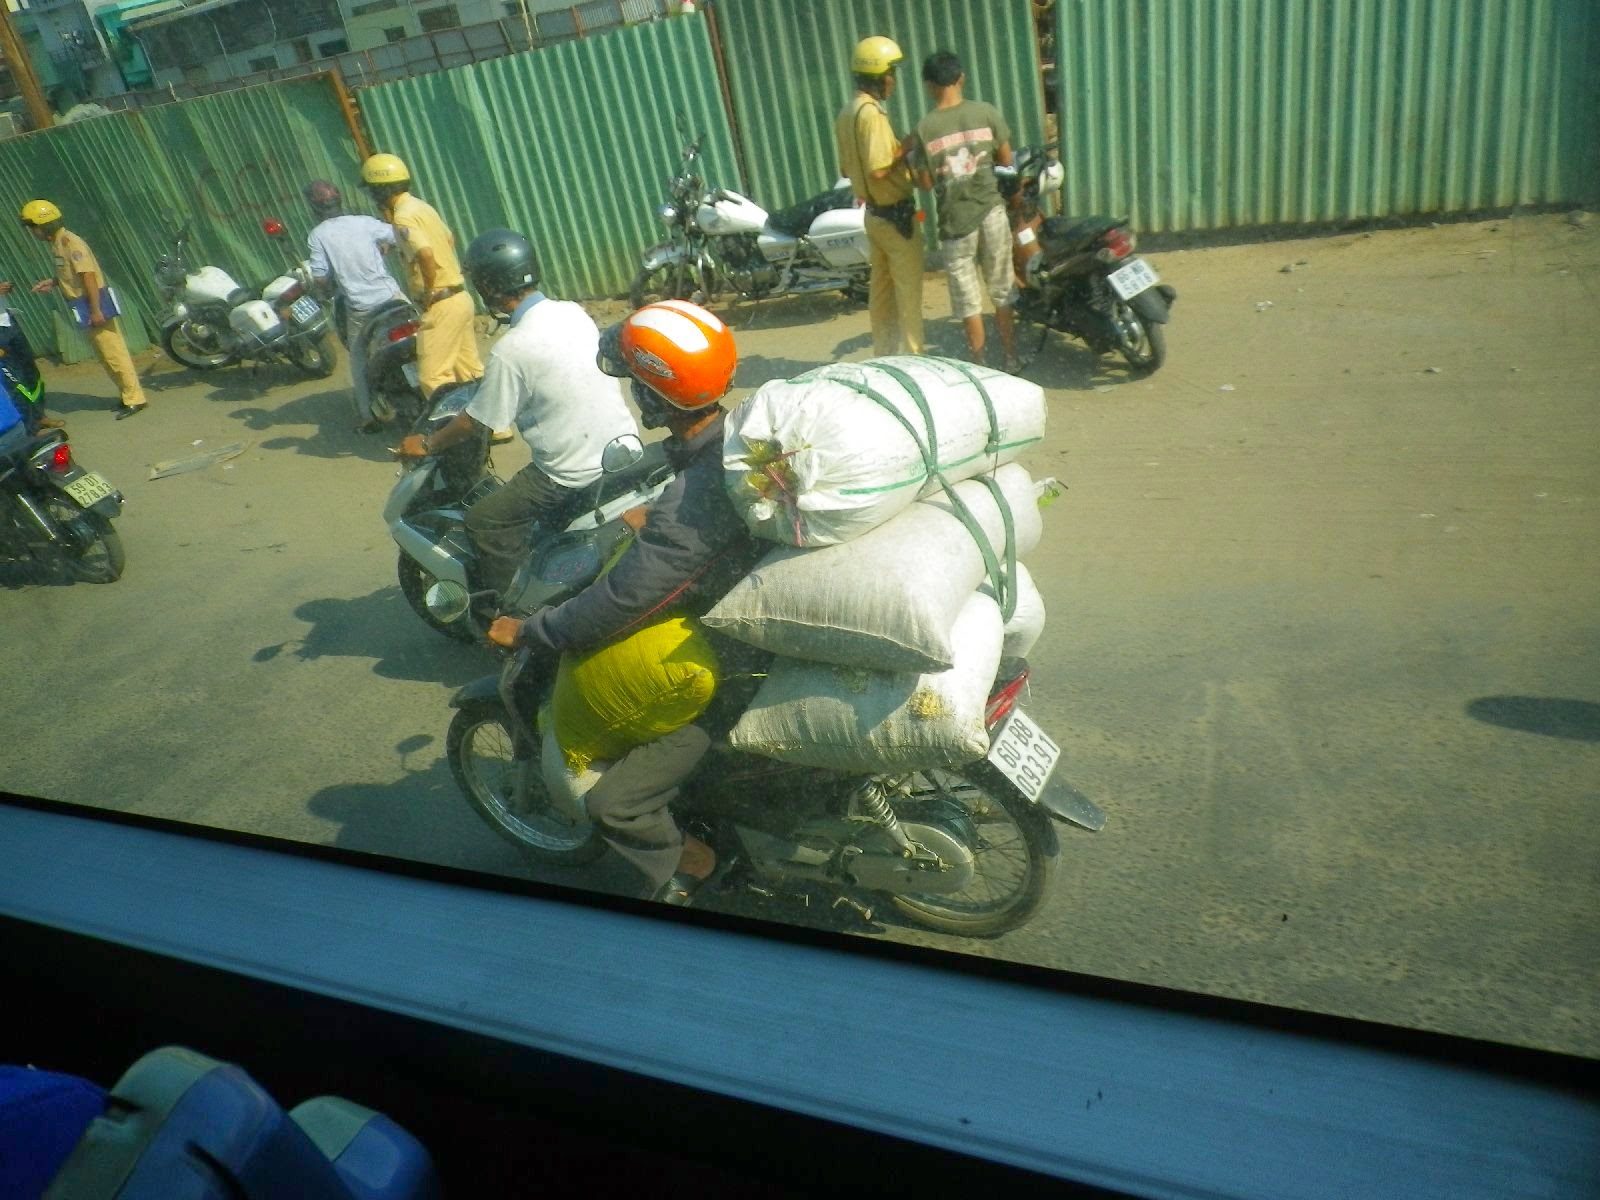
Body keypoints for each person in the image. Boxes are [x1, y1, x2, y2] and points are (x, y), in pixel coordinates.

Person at [486, 300, 768, 906]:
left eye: (639, 384)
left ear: (654, 395)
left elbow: (622, 602)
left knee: (614, 802)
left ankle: (690, 861)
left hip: (730, 670)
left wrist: (536, 629)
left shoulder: (694, 502)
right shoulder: (738, 437)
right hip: (746, 612)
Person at [396, 229, 637, 597]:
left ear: (488, 287)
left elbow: (475, 423)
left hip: (568, 474)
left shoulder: (512, 349)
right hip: (623, 448)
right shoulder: (573, 312)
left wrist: (427, 444)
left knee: (485, 520)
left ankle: (513, 609)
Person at [913, 49, 1020, 371]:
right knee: (1002, 287)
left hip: (955, 223)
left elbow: (926, 183)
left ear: (929, 85)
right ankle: (1011, 358)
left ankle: (980, 363)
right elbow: (1006, 159)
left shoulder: (925, 128)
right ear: (961, 78)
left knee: (967, 299)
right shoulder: (985, 113)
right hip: (991, 211)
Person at [359, 153, 483, 400]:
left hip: (440, 303)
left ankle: (455, 430)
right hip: (460, 298)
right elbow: (448, 238)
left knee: (433, 377)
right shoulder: (421, 206)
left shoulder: (403, 216)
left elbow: (425, 254)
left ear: (379, 191)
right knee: (469, 370)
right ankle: (496, 427)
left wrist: (429, 290)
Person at [835, 35, 925, 357]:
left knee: (882, 297)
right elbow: (877, 168)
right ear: (879, 75)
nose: (894, 81)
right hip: (897, 217)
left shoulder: (847, 112)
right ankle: (916, 361)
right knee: (909, 295)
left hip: (874, 217)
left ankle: (884, 357)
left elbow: (847, 170)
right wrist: (907, 146)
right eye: (892, 73)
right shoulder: (872, 114)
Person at [21, 200, 148, 419]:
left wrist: (96, 310)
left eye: (33, 227)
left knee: (113, 352)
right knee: (104, 354)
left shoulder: (71, 242)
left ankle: (135, 399)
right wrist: (53, 282)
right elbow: (70, 274)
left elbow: (88, 276)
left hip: (92, 301)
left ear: (44, 225)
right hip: (82, 303)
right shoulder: (58, 243)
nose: (33, 232)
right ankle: (127, 394)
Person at [303, 179, 404, 434]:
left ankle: (368, 416)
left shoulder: (318, 236)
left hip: (361, 308)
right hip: (392, 298)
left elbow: (321, 276)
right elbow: (401, 234)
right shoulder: (365, 223)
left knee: (358, 358)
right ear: (340, 201)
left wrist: (322, 291)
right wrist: (387, 245)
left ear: (314, 208)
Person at [0, 277, 57, 431]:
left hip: (8, 322)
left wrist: (6, 287)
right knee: (13, 380)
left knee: (30, 372)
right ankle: (30, 427)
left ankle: (40, 416)